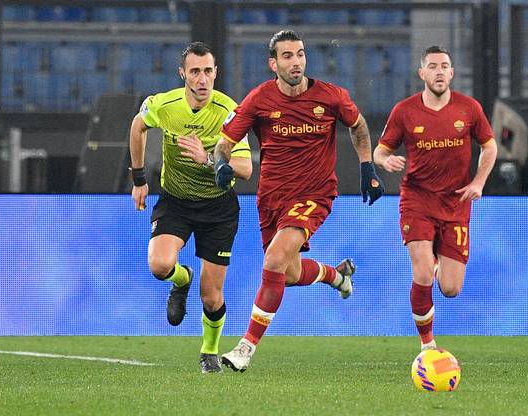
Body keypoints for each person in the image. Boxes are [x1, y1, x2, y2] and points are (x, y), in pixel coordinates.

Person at [212, 30, 384, 372]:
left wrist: (367, 165)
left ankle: (245, 348)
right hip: (272, 199)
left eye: (301, 54)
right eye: (288, 56)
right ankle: (336, 276)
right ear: (273, 63)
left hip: (314, 195)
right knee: (287, 273)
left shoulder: (331, 96)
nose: (297, 62)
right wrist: (221, 165)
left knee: (274, 260)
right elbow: (224, 143)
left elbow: (359, 125)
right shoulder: (259, 99)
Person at [128, 41, 252, 373]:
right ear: (183, 74)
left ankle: (209, 352)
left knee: (211, 296)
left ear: (216, 73)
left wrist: (209, 159)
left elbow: (245, 169)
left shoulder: (229, 112)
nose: (201, 79)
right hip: (176, 202)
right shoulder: (164, 105)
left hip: (218, 208)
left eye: (207, 71)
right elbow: (137, 127)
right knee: (159, 265)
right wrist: (139, 178)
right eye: (194, 71)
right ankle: (181, 279)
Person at [373, 46, 497, 351]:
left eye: (445, 66)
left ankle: (439, 261)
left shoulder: (469, 108)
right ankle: (428, 345)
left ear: (452, 73)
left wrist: (479, 182)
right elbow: (380, 150)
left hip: (456, 204)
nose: (439, 71)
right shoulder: (405, 111)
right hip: (417, 201)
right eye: (433, 66)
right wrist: (384, 160)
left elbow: (490, 147)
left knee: (451, 289)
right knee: (423, 272)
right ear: (422, 74)